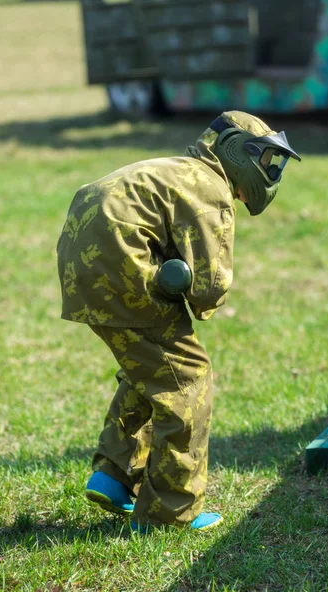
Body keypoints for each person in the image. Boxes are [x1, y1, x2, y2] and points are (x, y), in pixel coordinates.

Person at [56, 110, 301, 533]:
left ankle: (113, 474)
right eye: (266, 160)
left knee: (151, 368)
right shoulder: (210, 189)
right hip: (123, 264)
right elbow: (209, 289)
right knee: (187, 379)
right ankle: (169, 513)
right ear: (236, 152)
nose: (269, 174)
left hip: (82, 263)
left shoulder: (180, 170)